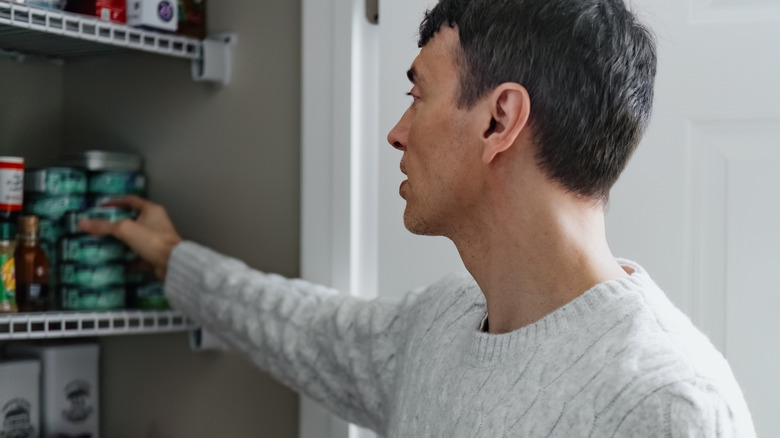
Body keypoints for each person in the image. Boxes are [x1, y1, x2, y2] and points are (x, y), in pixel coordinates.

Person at [80, 0, 756, 436]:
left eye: (417, 93)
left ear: (500, 119)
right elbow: (302, 328)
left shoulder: (667, 407)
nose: (397, 133)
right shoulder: (436, 329)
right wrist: (172, 255)